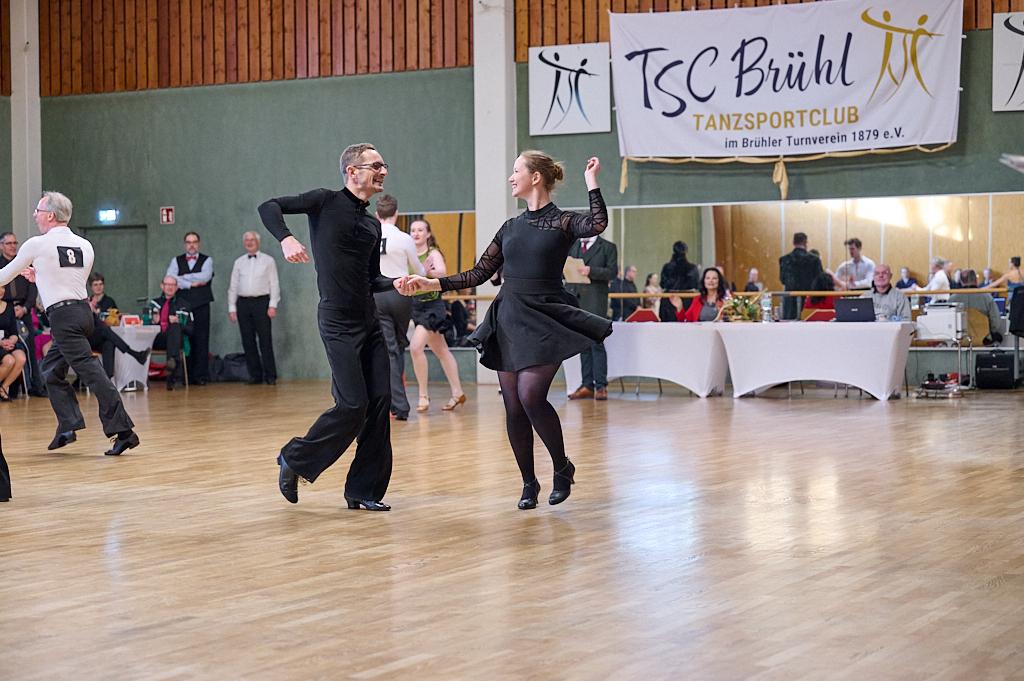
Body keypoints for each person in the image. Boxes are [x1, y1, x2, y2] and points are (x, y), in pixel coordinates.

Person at [397, 151, 609, 510]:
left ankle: (561, 467)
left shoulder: (562, 222)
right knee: (513, 406)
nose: (511, 178)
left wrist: (592, 183)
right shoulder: (510, 227)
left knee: (530, 395)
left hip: (545, 316)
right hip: (509, 316)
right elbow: (477, 274)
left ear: (536, 177)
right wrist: (428, 283)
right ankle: (529, 482)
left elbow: (598, 223)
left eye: (516, 171)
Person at [258, 142, 398, 511]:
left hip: (368, 321)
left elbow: (373, 279)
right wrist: (286, 238)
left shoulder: (371, 224)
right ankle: (295, 459)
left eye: (384, 165)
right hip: (337, 321)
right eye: (376, 165)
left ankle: (363, 491)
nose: (383, 171)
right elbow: (268, 206)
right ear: (352, 171)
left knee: (380, 401)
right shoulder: (324, 201)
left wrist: (400, 282)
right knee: (352, 404)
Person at [0, 192, 139, 455]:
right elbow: (67, 278)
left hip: (63, 319)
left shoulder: (36, 244)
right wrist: (38, 276)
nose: (34, 214)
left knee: (91, 372)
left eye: (38, 210)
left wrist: (30, 272)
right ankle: (68, 425)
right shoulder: (85, 245)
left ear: (50, 215)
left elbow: (3, 277)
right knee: (51, 369)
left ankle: (124, 431)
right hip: (83, 314)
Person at [372, 195, 425, 421]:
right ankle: (399, 404)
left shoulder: (371, 235)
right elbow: (418, 271)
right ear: (396, 214)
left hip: (378, 294)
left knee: (389, 348)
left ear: (377, 215)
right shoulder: (404, 238)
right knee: (398, 346)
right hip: (401, 294)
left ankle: (396, 404)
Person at [407, 219, 466, 413]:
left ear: (428, 234)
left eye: (420, 230)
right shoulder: (409, 254)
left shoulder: (432, 253)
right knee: (441, 350)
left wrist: (428, 271)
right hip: (416, 306)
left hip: (432, 306)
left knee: (416, 347)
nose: (416, 233)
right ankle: (457, 392)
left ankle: (423, 396)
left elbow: (442, 272)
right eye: (413, 230)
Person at [566, 231, 617, 401]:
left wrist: (591, 271)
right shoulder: (573, 246)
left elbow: (612, 272)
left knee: (596, 342)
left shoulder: (608, 247)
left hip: (595, 300)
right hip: (576, 299)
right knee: (583, 343)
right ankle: (587, 385)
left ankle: (601, 386)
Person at [227, 231, 280, 385]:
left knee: (265, 340)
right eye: (247, 240)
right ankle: (255, 375)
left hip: (262, 303)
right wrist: (232, 307)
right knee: (247, 341)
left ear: (258, 242)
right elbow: (233, 285)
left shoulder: (268, 261)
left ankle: (270, 375)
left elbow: (274, 283)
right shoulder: (239, 262)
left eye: (252, 240)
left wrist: (273, 305)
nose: (249, 242)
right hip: (243, 304)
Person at [1, 231, 44, 396]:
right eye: (9, 243)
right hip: (4, 310)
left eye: (14, 243)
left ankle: (36, 386)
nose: (13, 246)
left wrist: (25, 308)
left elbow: (33, 290)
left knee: (30, 349)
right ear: (1, 246)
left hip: (23, 310)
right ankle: (11, 389)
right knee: (10, 348)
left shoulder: (23, 262)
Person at [167, 231, 213, 385]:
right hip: (182, 305)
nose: (191, 244)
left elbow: (205, 278)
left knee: (202, 339)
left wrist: (183, 279)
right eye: (188, 242)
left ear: (198, 243)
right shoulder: (176, 260)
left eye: (194, 241)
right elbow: (171, 278)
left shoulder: (207, 260)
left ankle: (200, 376)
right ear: (185, 244)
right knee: (183, 339)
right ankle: (183, 376)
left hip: (201, 305)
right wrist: (192, 281)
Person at [149, 276, 194, 390]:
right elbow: (143, 325)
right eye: (167, 284)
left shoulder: (184, 306)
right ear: (162, 286)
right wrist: (154, 322)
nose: (169, 287)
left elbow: (191, 330)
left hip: (175, 339)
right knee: (173, 334)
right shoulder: (154, 304)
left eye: (172, 285)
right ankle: (174, 376)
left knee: (174, 327)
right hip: (156, 339)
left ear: (177, 287)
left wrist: (180, 323)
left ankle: (172, 363)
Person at [779, 232, 823, 320]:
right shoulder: (815, 260)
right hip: (809, 302)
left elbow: (783, 279)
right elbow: (820, 281)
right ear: (805, 242)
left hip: (790, 302)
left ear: (793, 243)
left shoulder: (784, 260)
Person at [951, 269, 1003, 345]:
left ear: (961, 281)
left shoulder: (952, 299)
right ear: (976, 280)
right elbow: (996, 324)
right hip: (984, 341)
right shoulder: (987, 297)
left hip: (959, 341)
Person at [658, 241, 700, 322]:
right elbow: (696, 284)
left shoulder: (667, 267)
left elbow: (663, 284)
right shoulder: (692, 268)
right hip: (687, 298)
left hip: (669, 298)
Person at [0, 285, 28, 401]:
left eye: (3, 287)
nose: (1, 291)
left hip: (7, 340)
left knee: (21, 358)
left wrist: (11, 341)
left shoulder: (9, 305)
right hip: (0, 343)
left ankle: (3, 388)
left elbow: (14, 332)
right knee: (9, 361)